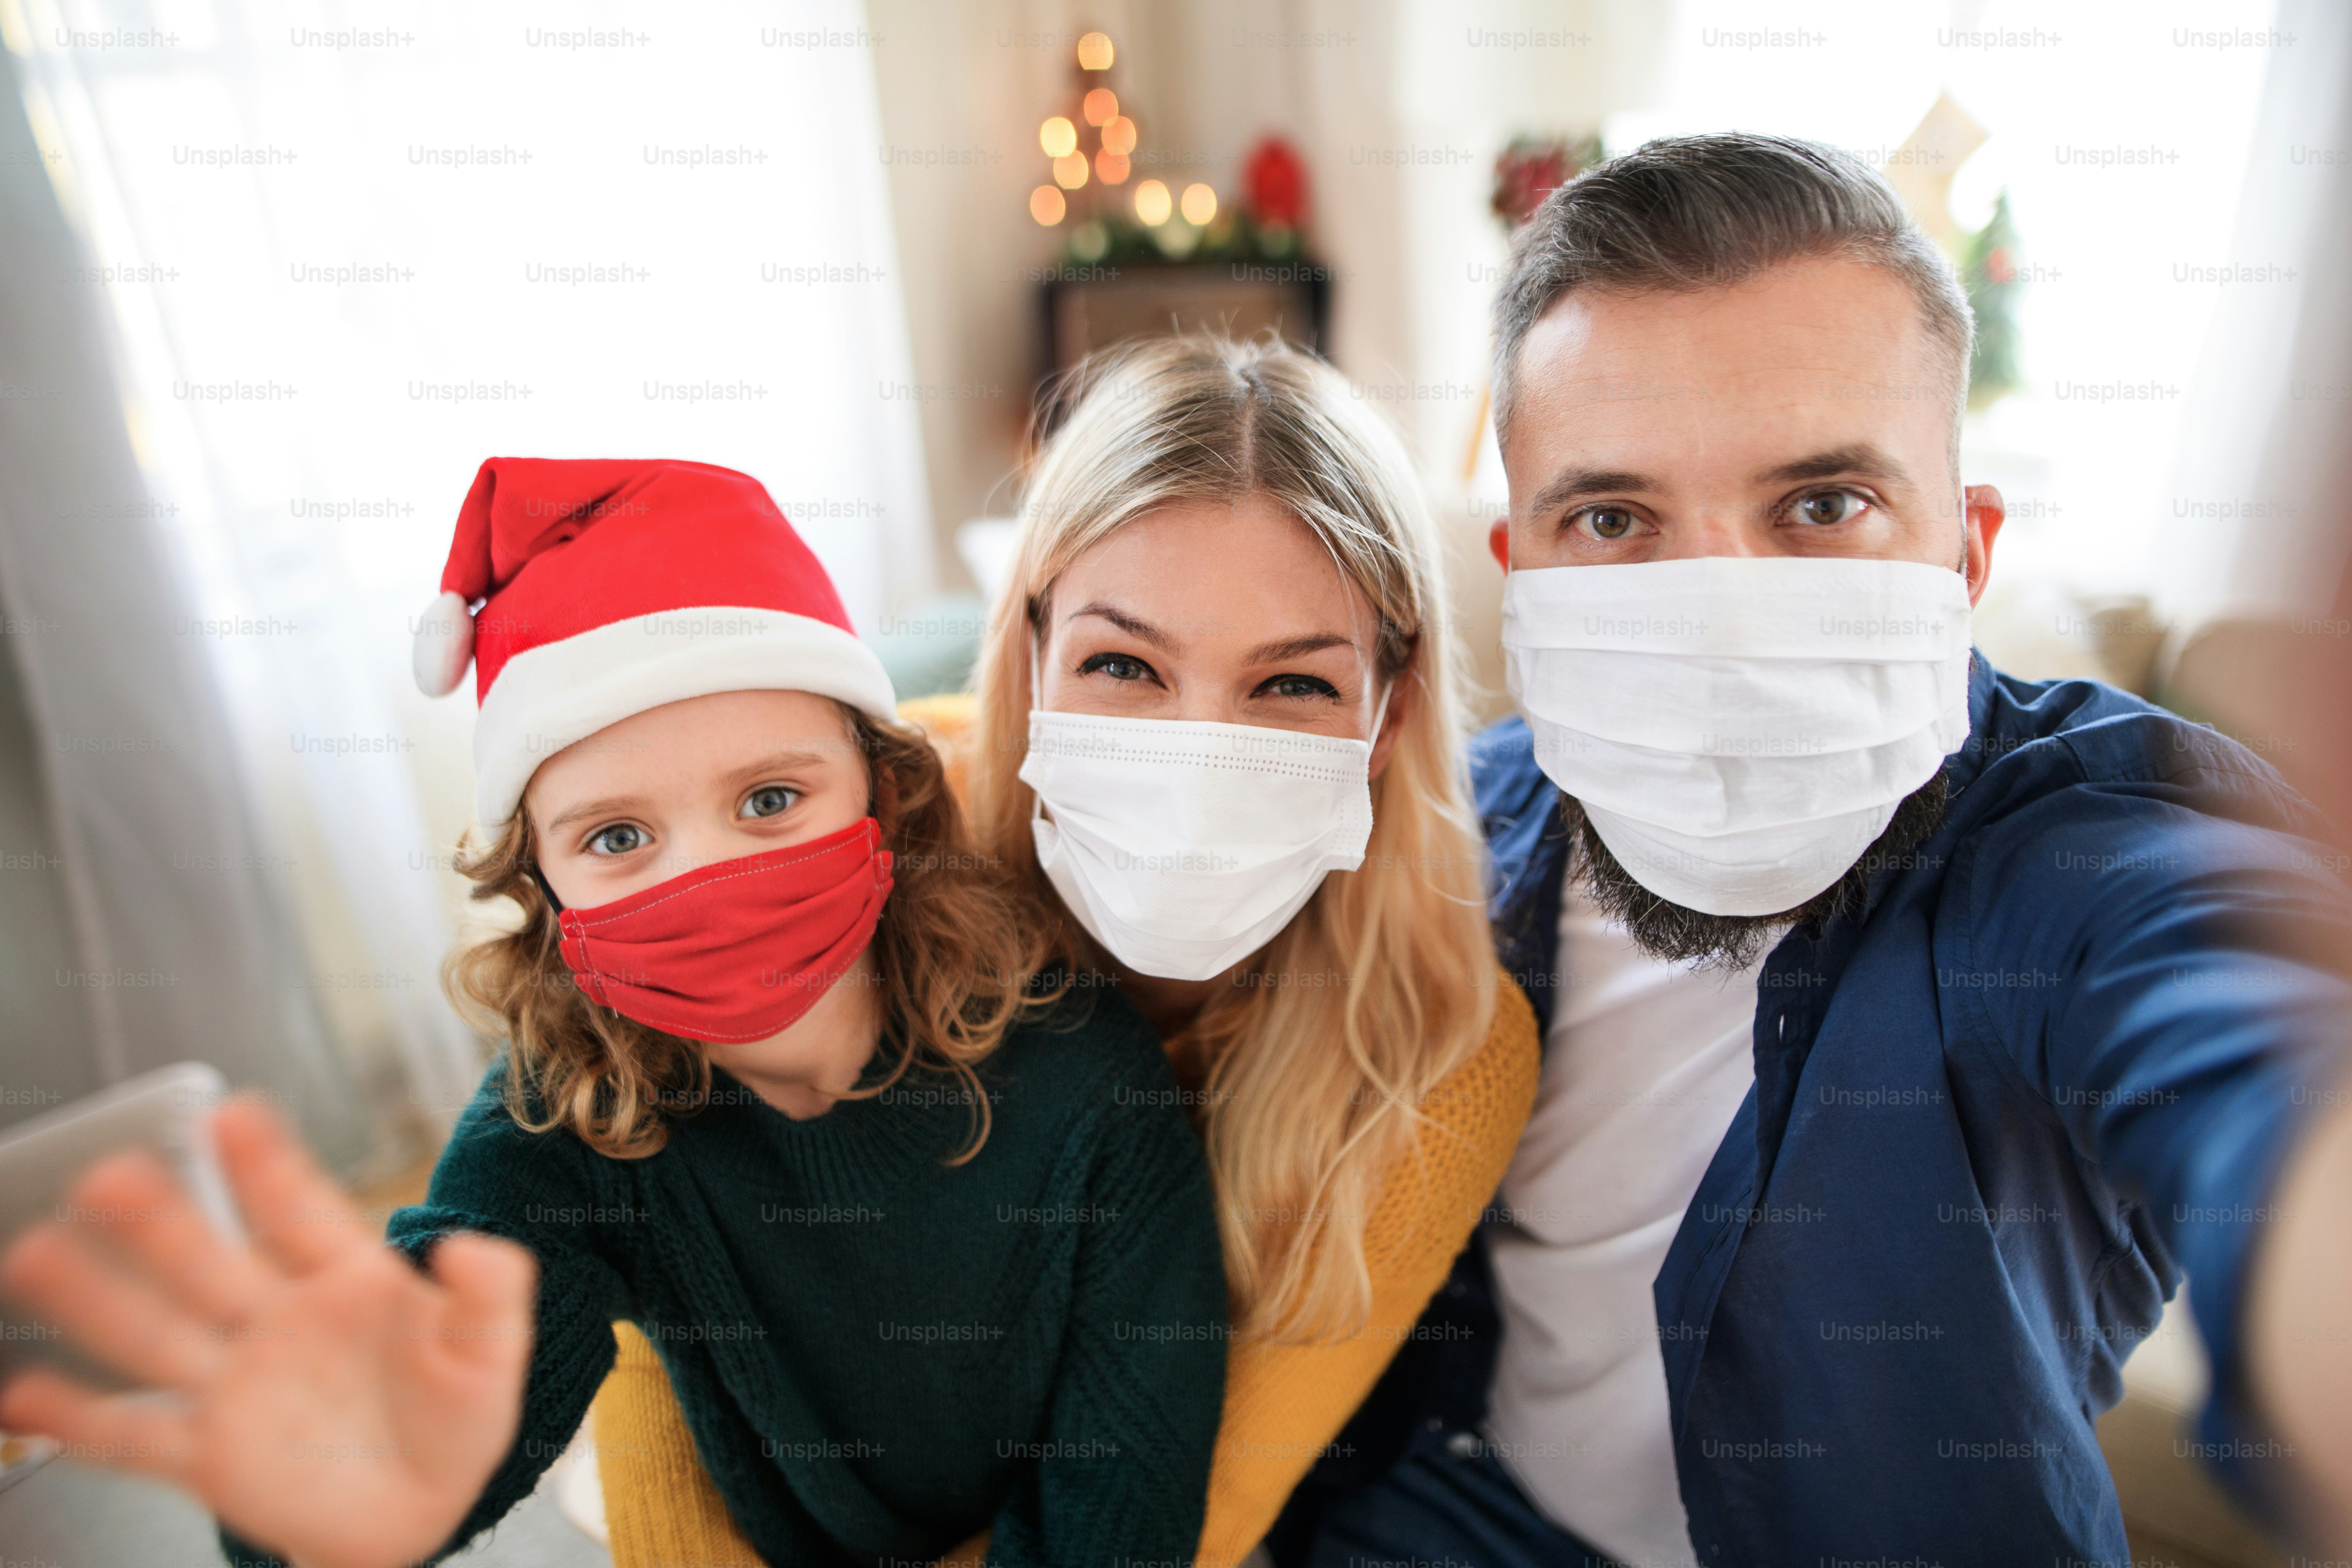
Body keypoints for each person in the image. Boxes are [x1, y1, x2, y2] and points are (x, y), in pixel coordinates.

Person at [1271, 133, 2352, 1568]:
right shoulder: (1461, 824)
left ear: (1964, 557)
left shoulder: (2080, 855)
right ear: (1520, 572)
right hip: (1470, 1511)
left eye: (1822, 506)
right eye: (1613, 518)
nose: (1718, 608)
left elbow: (2246, 1033)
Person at [0, 458, 1229, 1568]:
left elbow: (1119, 1510)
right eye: (619, 836)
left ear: (887, 800)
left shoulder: (1083, 1071)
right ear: (540, 890)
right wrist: (330, 1489)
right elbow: (441, 1379)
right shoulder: (567, 1124)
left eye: (769, 801)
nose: (703, 881)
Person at [598, 337, 1543, 1568]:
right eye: (1124, 665)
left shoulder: (1442, 1050)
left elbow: (1195, 1510)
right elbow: (655, 1287)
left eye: (1293, 688)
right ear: (1031, 655)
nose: (1199, 756)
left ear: (1388, 717)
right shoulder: (843, 847)